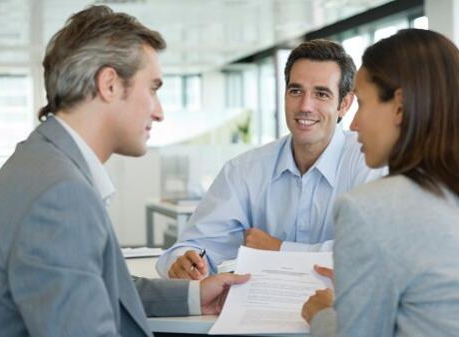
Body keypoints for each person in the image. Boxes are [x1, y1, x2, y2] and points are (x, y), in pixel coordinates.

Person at [0, 6, 249, 337]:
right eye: (153, 88)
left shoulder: (41, 164)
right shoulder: (60, 195)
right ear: (110, 84)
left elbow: (101, 284)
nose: (159, 112)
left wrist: (195, 294)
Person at [302, 28, 459, 337]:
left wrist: (324, 314)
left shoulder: (368, 209)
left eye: (362, 104)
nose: (353, 123)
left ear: (400, 106)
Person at [157, 39, 382, 280]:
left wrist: (279, 249)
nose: (305, 106)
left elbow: (374, 252)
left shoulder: (368, 163)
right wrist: (184, 262)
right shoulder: (244, 170)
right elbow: (195, 244)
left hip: (339, 313)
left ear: (344, 104)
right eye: (296, 91)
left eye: (321, 94)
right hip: (258, 311)